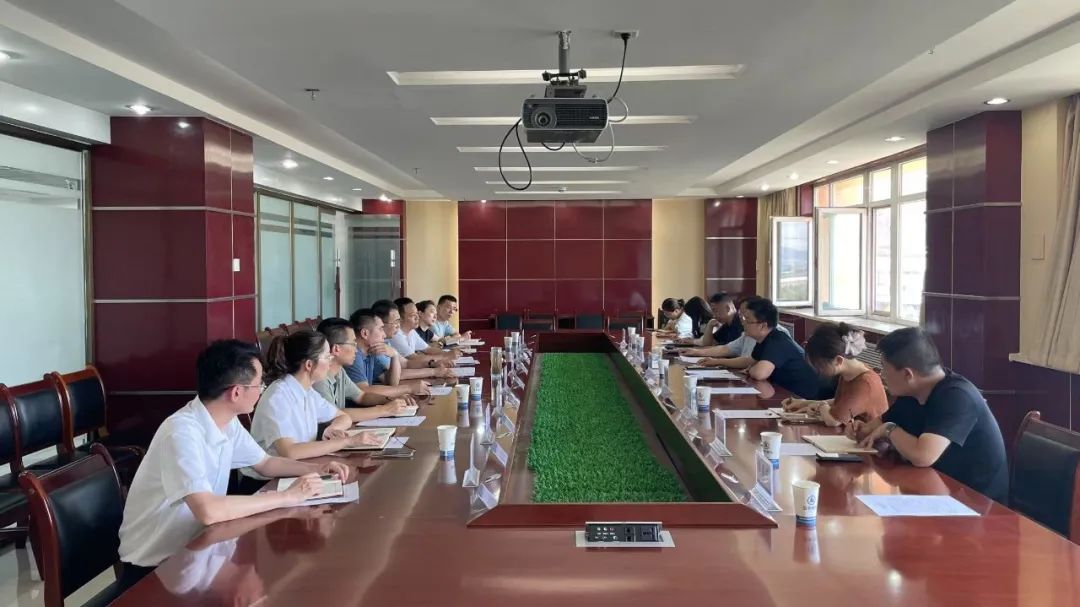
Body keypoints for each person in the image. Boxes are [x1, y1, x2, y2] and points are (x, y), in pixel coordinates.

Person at [117, 340, 349, 586]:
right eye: (259, 384)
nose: (261, 390)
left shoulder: (227, 421)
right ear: (236, 392)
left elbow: (265, 463)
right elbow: (208, 511)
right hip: (156, 568)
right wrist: (287, 497)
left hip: (199, 552)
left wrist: (318, 469)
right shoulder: (181, 433)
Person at [850, 328, 1008, 503]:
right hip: (936, 491)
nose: (882, 375)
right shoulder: (911, 393)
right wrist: (860, 429)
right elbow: (873, 428)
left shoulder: (957, 396)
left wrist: (889, 430)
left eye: (884, 369)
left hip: (977, 505)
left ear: (907, 374)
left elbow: (923, 456)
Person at [246, 330, 384, 472]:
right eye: (327, 357)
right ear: (309, 365)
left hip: (303, 467)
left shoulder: (308, 391)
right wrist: (347, 441)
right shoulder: (278, 397)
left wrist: (333, 429)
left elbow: (344, 417)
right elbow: (290, 452)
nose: (331, 362)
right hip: (271, 478)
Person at [782, 323, 888, 427]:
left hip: (867, 437)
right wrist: (804, 403)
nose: (819, 371)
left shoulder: (865, 383)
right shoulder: (849, 373)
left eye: (820, 366)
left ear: (838, 360)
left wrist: (821, 406)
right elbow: (841, 403)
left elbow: (833, 421)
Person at [313, 317, 411, 419]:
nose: (356, 350)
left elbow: (361, 396)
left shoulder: (339, 371)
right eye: (353, 344)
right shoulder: (319, 378)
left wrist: (391, 400)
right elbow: (332, 415)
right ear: (336, 349)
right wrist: (385, 410)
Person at [742, 297, 823, 399]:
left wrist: (750, 370)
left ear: (762, 326)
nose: (743, 323)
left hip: (804, 398)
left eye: (747, 320)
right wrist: (723, 362)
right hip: (786, 393)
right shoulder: (764, 339)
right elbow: (751, 361)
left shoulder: (777, 341)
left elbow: (760, 373)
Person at [346, 308, 430, 398]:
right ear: (365, 333)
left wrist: (394, 355)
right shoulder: (353, 355)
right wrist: (409, 388)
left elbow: (391, 382)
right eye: (380, 329)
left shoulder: (371, 352)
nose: (384, 335)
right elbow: (363, 391)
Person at [682, 296, 786, 370]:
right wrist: (697, 352)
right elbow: (726, 349)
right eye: (741, 315)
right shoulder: (748, 333)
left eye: (746, 317)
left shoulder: (776, 335)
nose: (743, 320)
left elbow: (757, 369)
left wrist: (718, 361)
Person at [373, 299, 455, 381]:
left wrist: (432, 363)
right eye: (395, 322)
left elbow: (407, 363)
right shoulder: (382, 343)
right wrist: (434, 370)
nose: (417, 317)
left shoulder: (387, 342)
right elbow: (393, 376)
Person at [392, 297, 460, 360]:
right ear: (400, 318)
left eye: (416, 314)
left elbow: (428, 349)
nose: (417, 317)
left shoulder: (411, 332)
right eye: (413, 315)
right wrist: (445, 356)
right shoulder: (396, 335)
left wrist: (448, 354)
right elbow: (414, 358)